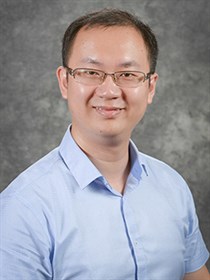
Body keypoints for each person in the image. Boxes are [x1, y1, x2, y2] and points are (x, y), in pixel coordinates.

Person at [0, 8, 209, 280]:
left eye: (128, 74)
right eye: (90, 72)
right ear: (64, 81)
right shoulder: (23, 208)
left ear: (151, 87)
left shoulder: (173, 186)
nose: (110, 91)